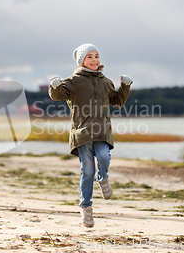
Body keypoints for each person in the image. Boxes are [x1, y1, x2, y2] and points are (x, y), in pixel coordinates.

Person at [49, 43, 133, 227]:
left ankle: (103, 179)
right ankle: (86, 208)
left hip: (102, 131)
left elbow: (117, 101)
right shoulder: (74, 81)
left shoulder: (105, 81)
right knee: (87, 170)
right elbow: (58, 95)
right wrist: (54, 87)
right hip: (82, 132)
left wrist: (124, 87)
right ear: (81, 61)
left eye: (96, 56)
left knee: (104, 157)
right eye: (90, 57)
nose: (94, 60)